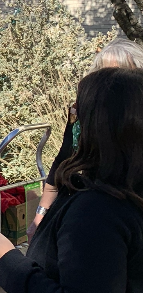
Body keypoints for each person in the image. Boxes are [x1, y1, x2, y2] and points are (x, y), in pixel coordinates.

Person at [0, 67, 143, 293]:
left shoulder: (98, 212)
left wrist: (5, 263)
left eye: (77, 112)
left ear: (99, 125)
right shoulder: (126, 193)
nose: (72, 121)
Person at [29, 38, 143, 238]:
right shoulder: (82, 114)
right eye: (103, 75)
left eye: (120, 76)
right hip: (98, 208)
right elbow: (63, 159)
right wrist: (41, 214)